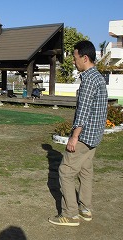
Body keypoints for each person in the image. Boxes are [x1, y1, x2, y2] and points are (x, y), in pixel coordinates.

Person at [49, 40, 108, 226]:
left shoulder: (89, 80)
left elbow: (83, 111)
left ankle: (70, 214)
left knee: (65, 172)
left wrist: (74, 137)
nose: (73, 61)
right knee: (85, 171)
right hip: (95, 137)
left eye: (75, 58)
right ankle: (85, 209)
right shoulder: (98, 77)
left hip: (84, 137)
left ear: (85, 57)